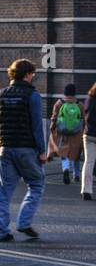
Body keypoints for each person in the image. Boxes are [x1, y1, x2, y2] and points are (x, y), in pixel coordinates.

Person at [0, 59, 47, 241]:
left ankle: (2, 231)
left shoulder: (2, 94)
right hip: (26, 149)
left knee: (4, 191)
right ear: (27, 74)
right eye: (32, 73)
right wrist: (42, 151)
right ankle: (24, 222)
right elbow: (36, 126)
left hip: (5, 148)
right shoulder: (32, 95)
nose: (33, 76)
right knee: (36, 184)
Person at [50, 83, 86, 185]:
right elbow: (84, 119)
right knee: (76, 153)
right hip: (77, 133)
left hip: (63, 132)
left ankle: (65, 169)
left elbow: (54, 117)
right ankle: (76, 175)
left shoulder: (59, 103)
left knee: (64, 153)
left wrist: (52, 128)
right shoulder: (79, 104)